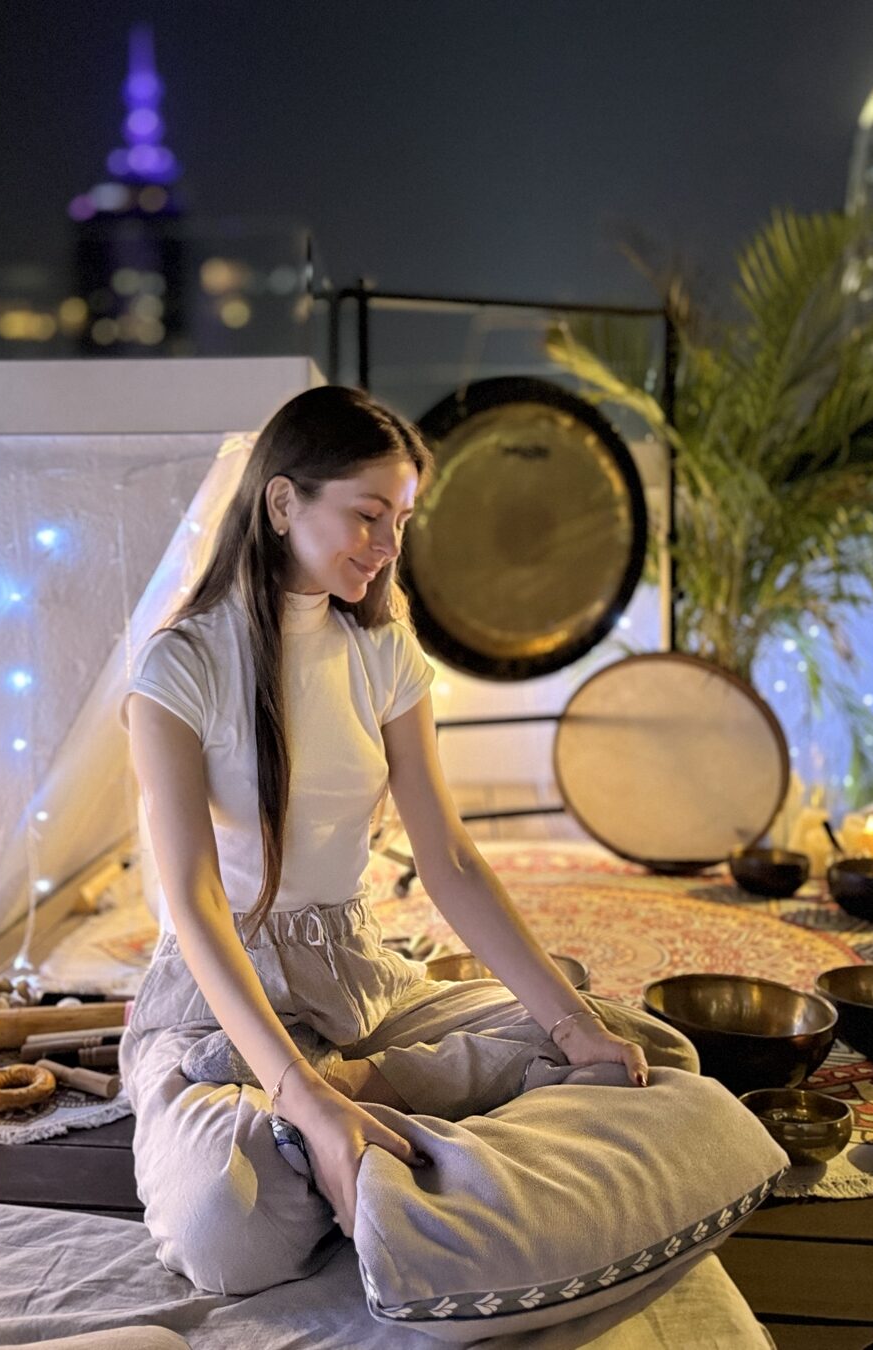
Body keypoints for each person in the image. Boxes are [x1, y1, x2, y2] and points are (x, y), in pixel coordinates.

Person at [117, 385, 694, 1296]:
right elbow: (192, 901)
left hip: (358, 986)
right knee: (224, 1234)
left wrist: (568, 1024)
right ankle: (324, 1120)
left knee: (636, 1051)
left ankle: (358, 1096)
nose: (388, 546)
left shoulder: (385, 648)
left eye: (403, 519)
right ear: (282, 503)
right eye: (367, 515)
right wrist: (293, 1089)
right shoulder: (180, 666)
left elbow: (451, 859)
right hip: (223, 995)